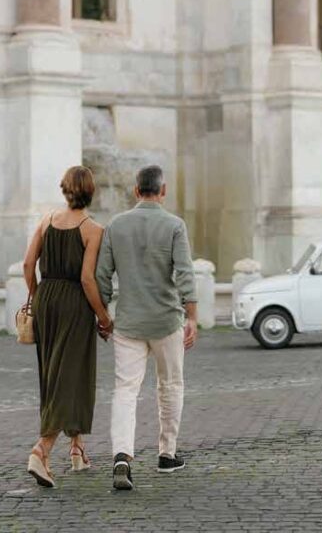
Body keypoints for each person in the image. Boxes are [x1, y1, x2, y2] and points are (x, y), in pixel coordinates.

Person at [96, 164, 198, 492]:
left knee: (126, 389)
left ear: (136, 190)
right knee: (170, 386)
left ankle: (122, 455)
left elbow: (102, 275)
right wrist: (192, 316)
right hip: (167, 321)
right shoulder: (174, 225)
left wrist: (103, 315)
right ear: (163, 191)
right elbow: (185, 273)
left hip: (128, 322)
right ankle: (167, 454)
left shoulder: (116, 225)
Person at [22, 165, 113, 488]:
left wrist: (38, 294)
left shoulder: (47, 220)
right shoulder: (93, 229)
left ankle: (77, 449)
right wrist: (103, 315)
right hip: (75, 303)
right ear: (90, 192)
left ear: (65, 190)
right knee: (69, 375)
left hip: (47, 298)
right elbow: (88, 279)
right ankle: (41, 450)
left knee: (56, 373)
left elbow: (28, 264)